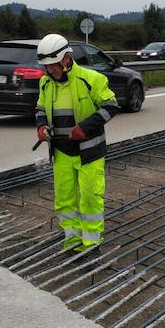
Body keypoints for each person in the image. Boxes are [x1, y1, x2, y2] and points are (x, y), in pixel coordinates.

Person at [34, 34, 120, 254]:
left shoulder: (91, 79)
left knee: (90, 198)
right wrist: (42, 127)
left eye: (52, 65)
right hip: (61, 152)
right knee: (64, 200)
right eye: (46, 66)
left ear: (65, 59)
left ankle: (91, 244)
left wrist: (86, 127)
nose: (49, 70)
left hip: (89, 152)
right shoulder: (45, 83)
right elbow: (41, 109)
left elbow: (111, 106)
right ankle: (72, 241)